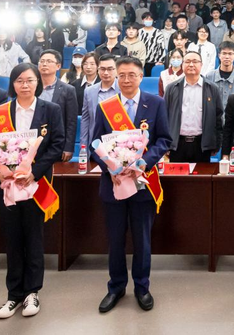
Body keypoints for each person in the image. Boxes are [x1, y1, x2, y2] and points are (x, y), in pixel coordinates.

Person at [90, 57, 172, 313]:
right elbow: (95, 144)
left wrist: (145, 162)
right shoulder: (106, 107)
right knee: (115, 240)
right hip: (113, 183)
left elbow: (164, 140)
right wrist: (110, 168)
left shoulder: (156, 103)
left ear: (141, 77)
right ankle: (115, 287)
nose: (126, 80)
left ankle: (142, 287)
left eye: (131, 75)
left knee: (142, 239)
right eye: (122, 75)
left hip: (143, 182)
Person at [0, 63, 65, 319]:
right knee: (12, 238)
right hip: (7, 185)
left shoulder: (50, 110)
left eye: (30, 80)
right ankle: (13, 295)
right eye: (19, 80)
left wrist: (34, 172)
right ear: (13, 84)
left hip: (35, 184)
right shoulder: (0, 112)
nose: (25, 85)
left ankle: (32, 292)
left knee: (34, 237)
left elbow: (57, 145)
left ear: (37, 83)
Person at [164, 51, 223, 163]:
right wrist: (166, 144)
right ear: (182, 64)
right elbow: (164, 117)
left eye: (195, 61)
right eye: (187, 61)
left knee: (201, 175)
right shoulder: (171, 88)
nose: (191, 64)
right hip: (177, 144)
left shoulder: (212, 88)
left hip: (202, 145)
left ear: (201, 65)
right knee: (177, 175)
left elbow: (218, 118)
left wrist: (216, 144)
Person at [37, 50, 78, 162]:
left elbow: (71, 121)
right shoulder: (31, 87)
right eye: (42, 61)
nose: (44, 64)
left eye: (49, 61)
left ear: (58, 66)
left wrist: (68, 147)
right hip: (33, 142)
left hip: (56, 143)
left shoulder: (68, 90)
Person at [80, 55, 119, 152]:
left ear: (117, 70)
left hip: (120, 142)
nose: (106, 73)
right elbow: (85, 119)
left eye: (110, 69)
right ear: (98, 70)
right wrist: (83, 145)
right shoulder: (89, 91)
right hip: (96, 142)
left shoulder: (124, 89)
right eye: (102, 69)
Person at [205, 42, 234, 110]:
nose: (227, 57)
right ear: (219, 55)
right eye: (224, 53)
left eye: (230, 54)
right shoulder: (209, 76)